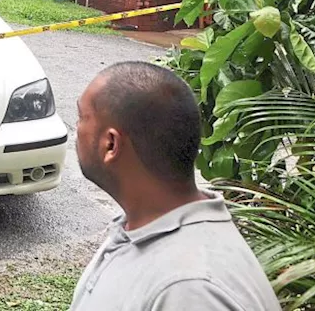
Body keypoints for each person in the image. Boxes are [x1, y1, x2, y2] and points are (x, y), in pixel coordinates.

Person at [71, 61, 280, 310]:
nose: (76, 129)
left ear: (110, 145)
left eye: (82, 117)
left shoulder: (190, 290)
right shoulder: (140, 228)